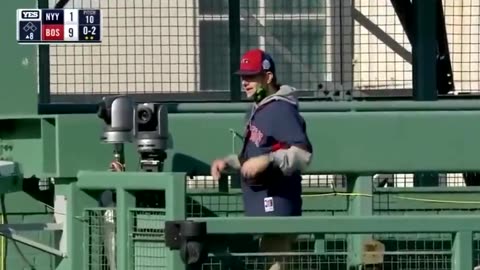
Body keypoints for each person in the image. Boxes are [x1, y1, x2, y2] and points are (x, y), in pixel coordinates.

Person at [210, 48, 313, 269]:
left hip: (278, 201)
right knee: (271, 257)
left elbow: (303, 154)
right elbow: (252, 156)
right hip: (262, 202)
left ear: (268, 77)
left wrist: (269, 160)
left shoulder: (282, 109)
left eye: (251, 76)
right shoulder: (258, 109)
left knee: (277, 259)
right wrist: (228, 163)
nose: (245, 82)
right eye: (243, 77)